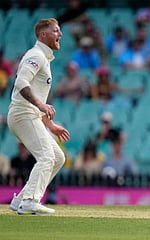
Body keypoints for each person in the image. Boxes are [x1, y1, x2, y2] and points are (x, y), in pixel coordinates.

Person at [7, 18, 70, 215]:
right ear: (43, 34)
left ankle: (20, 200)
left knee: (58, 157)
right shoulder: (36, 55)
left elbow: (35, 97)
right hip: (23, 114)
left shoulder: (44, 57)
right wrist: (41, 105)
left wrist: (50, 126)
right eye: (56, 31)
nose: (60, 34)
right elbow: (20, 82)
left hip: (30, 115)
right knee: (47, 156)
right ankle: (30, 200)